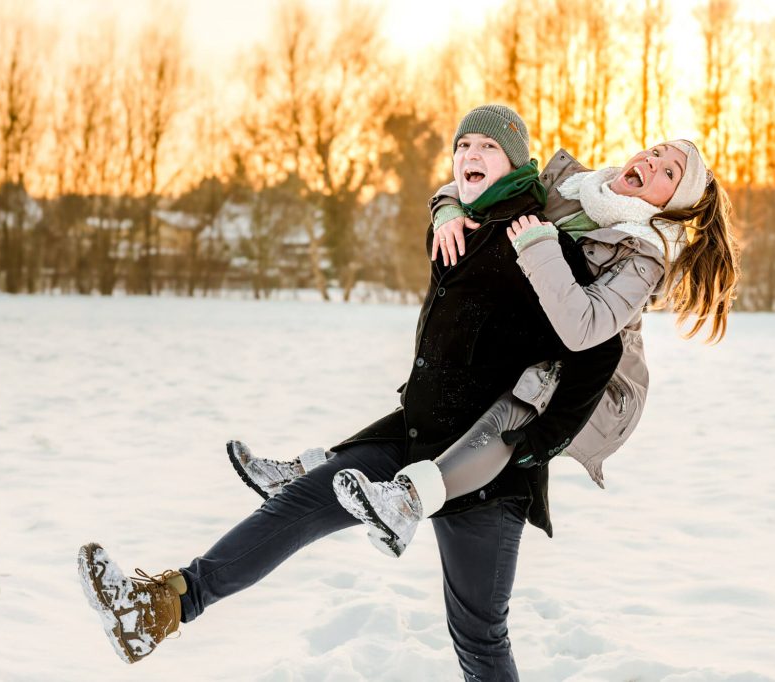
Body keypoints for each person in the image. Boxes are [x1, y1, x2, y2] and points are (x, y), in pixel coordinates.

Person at [77, 104, 623, 679]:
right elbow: (449, 205)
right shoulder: (460, 227)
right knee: (294, 507)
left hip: (485, 469)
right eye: (462, 146)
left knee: (479, 635)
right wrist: (444, 211)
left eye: (487, 147)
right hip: (412, 434)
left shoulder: (537, 241)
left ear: (516, 163)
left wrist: (539, 443)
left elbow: (599, 349)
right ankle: (161, 607)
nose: (470, 155)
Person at [229, 137, 740, 557]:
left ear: (672, 204)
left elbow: (585, 330)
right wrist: (448, 209)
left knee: (512, 405)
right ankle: (308, 472)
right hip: (511, 337)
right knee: (427, 405)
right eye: (656, 151)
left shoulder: (644, 254)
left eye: (669, 172)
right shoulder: (571, 186)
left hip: (574, 373)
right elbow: (482, 186)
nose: (652, 162)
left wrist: (539, 247)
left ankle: (408, 503)